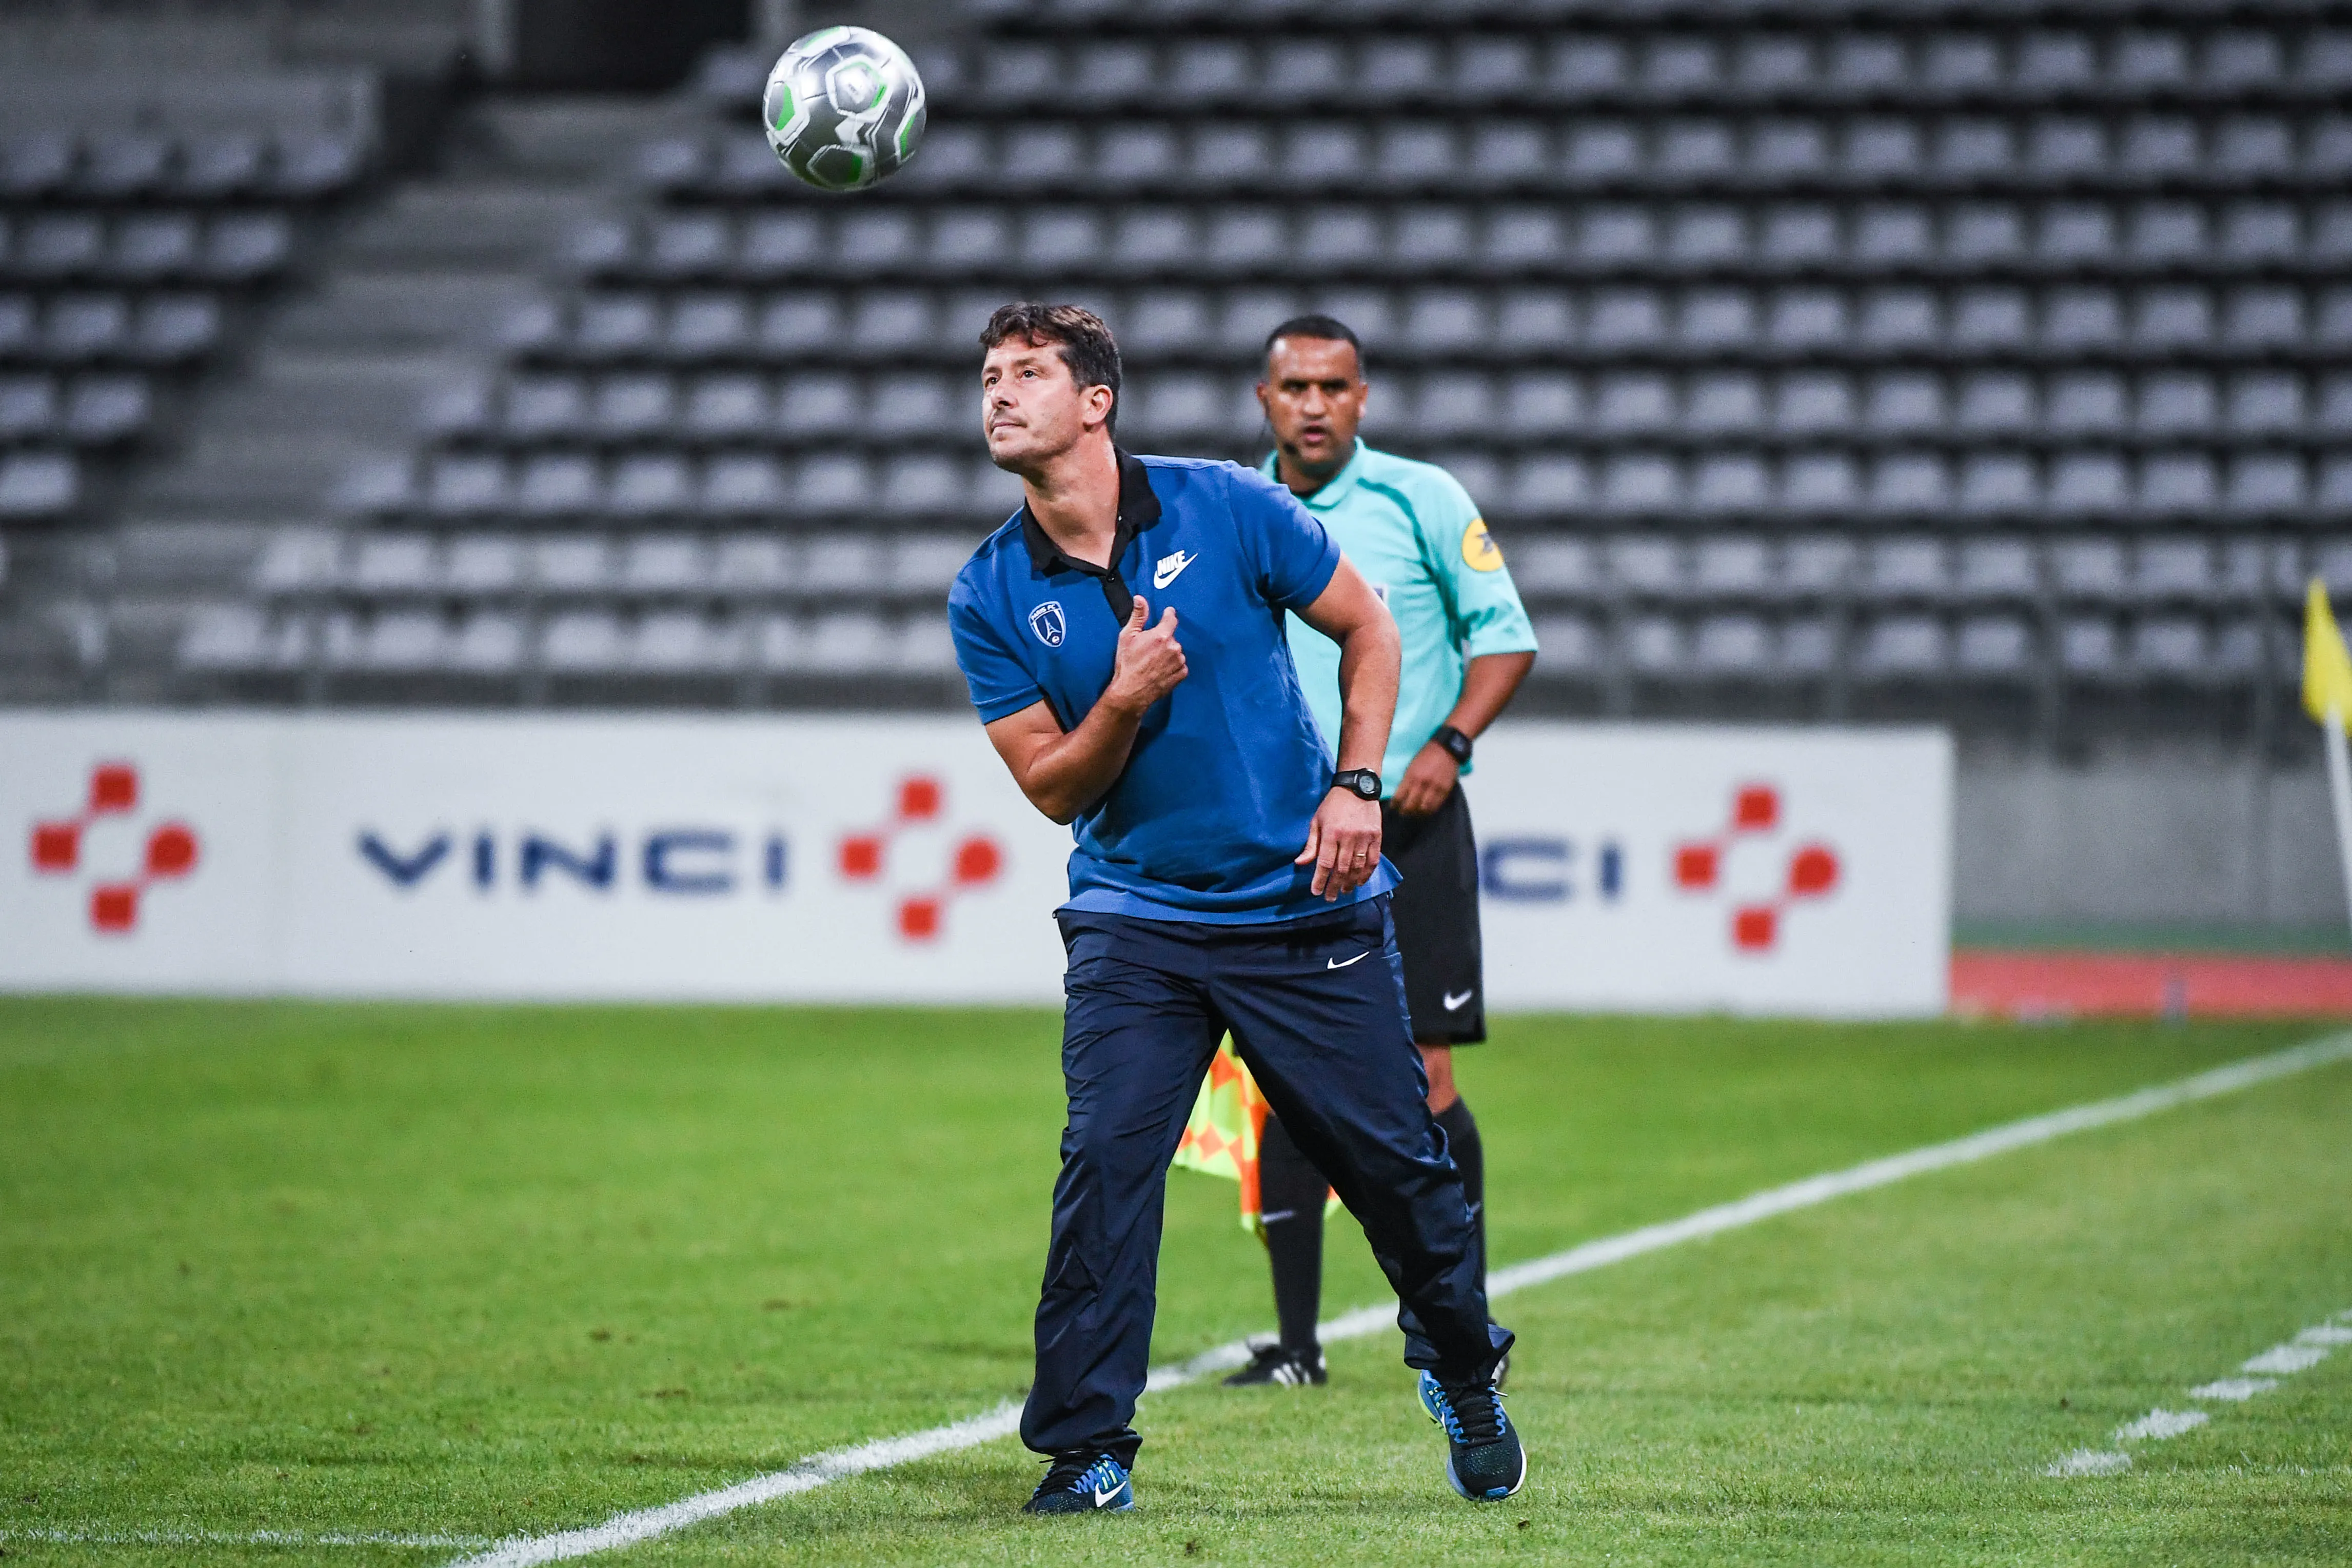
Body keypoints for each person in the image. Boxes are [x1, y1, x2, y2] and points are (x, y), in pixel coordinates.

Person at [947, 303, 1526, 1514]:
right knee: (1104, 1165)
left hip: (1300, 904)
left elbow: (1368, 630)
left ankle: (1464, 1368)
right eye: (989, 377)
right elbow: (1054, 788)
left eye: (1028, 375)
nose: (998, 395)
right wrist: (1120, 699)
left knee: (1397, 1166)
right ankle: (1087, 1448)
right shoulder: (989, 592)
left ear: (1097, 401)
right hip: (1135, 922)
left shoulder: (1230, 506)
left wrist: (1359, 784)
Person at [1222, 315, 1538, 1392]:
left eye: (1334, 385)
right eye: (1294, 385)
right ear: (1263, 400)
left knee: (1427, 1071)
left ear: (1364, 398)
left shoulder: (1424, 499)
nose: (1313, 404)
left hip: (1406, 820)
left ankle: (1468, 1328)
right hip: (1280, 833)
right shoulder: (1229, 508)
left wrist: (1449, 743)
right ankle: (1298, 1347)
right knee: (1281, 1081)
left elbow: (1505, 636)